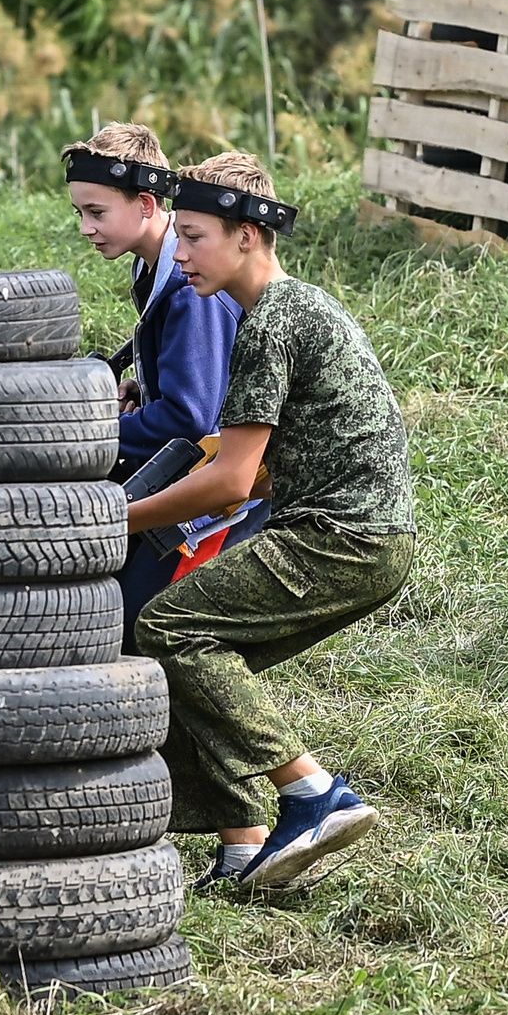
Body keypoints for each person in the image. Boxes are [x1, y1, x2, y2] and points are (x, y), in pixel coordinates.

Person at [127, 153, 417, 892]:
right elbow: (245, 472)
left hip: (339, 537)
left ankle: (314, 793)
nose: (181, 253)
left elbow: (229, 479)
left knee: (169, 629)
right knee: (196, 668)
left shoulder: (270, 323)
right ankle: (245, 844)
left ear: (249, 235)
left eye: (193, 236)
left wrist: (118, 520)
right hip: (369, 537)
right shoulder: (295, 308)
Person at [63, 124, 243, 635]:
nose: (85, 227)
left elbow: (192, 416)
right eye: (80, 212)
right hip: (181, 466)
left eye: (97, 212)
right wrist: (147, 384)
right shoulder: (156, 268)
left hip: (217, 494)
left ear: (146, 204)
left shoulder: (188, 286)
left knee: (130, 625)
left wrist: (93, 435)